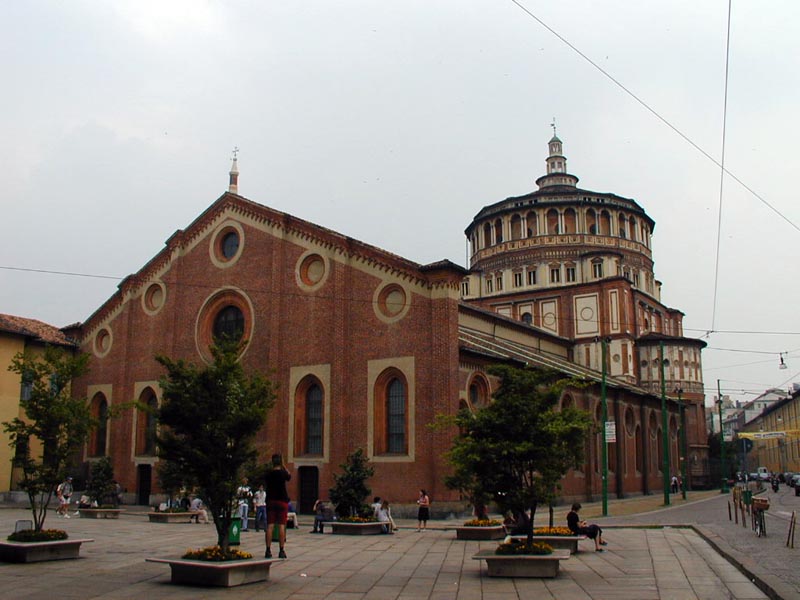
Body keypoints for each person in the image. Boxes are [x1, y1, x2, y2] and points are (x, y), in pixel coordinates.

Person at [265, 454, 291, 559]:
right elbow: (289, 476)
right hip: (282, 501)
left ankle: (268, 550)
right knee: (281, 525)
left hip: (271, 500)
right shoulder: (283, 473)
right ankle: (281, 550)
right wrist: (283, 466)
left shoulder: (269, 473)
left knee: (270, 526)